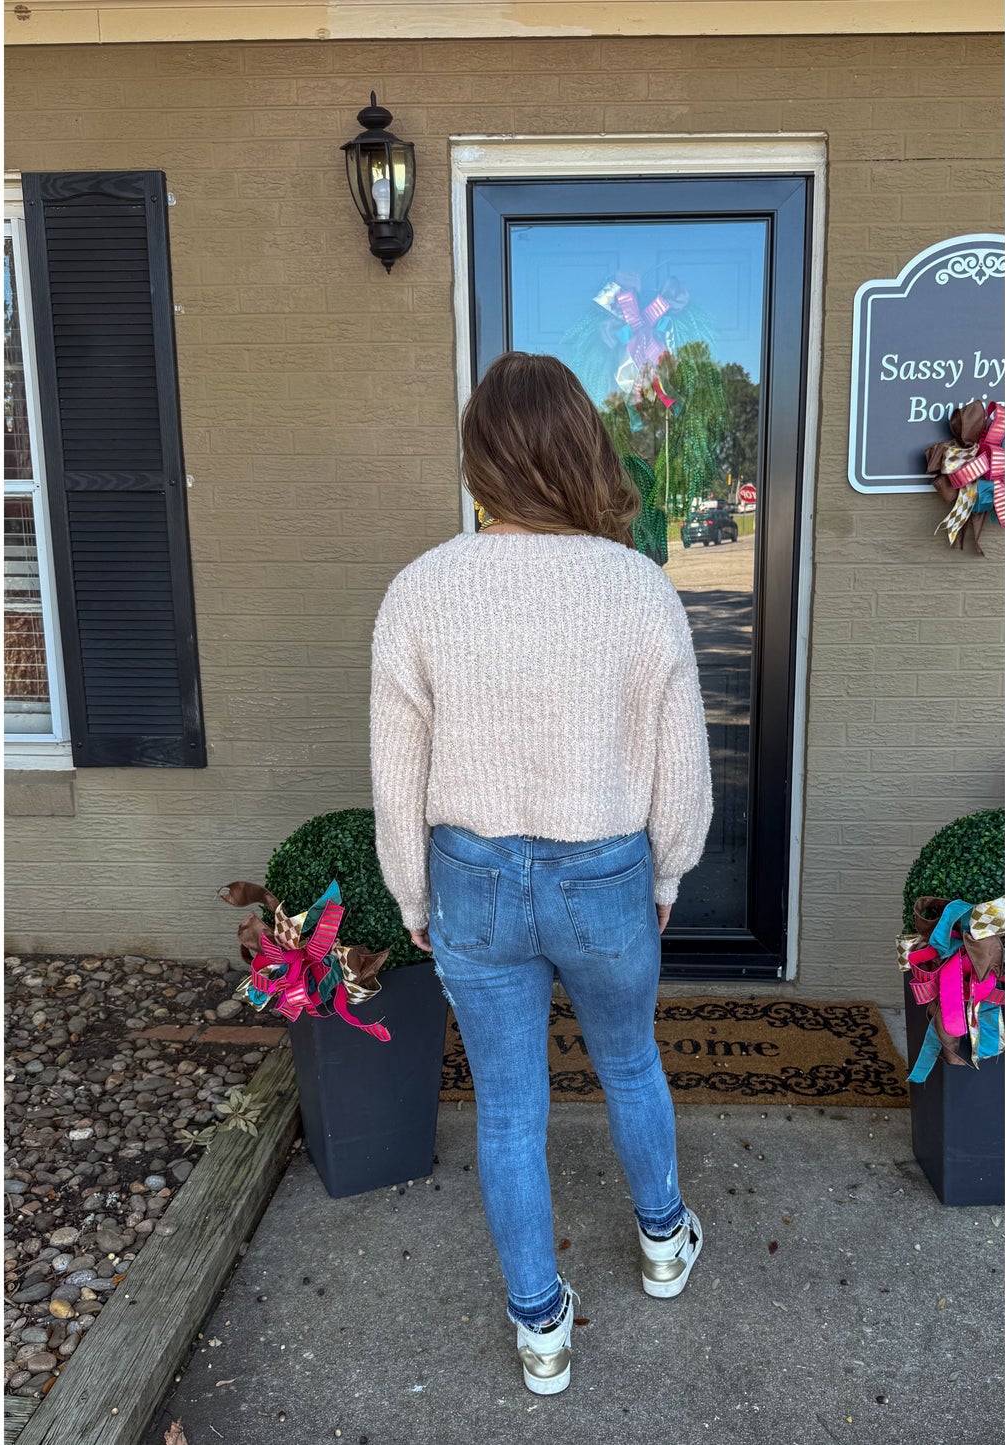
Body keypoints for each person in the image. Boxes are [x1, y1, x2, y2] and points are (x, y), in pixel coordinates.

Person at [368, 350, 714, 1396]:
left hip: (470, 875)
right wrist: (666, 875)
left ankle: (540, 1329)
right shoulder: (637, 586)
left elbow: (398, 770)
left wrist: (409, 891)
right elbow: (680, 765)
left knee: (507, 1106)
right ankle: (661, 1240)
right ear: (579, 450)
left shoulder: (420, 589)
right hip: (602, 870)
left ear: (481, 461)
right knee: (627, 1060)